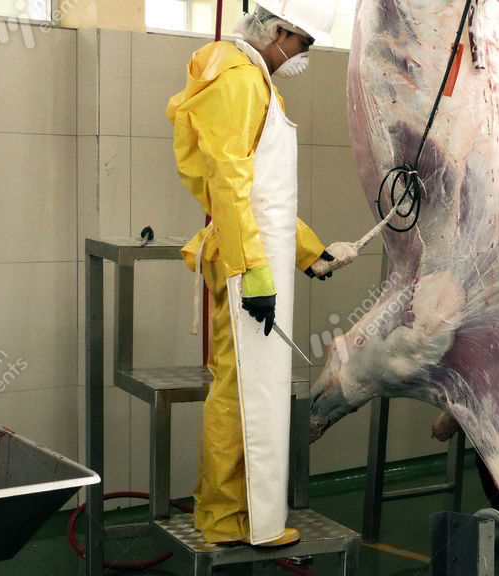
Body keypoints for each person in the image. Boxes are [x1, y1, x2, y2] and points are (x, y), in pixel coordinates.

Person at [165, 0, 340, 547]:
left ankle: (241, 514)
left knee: (249, 388)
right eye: (304, 44)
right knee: (240, 391)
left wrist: (307, 251)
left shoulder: (252, 80)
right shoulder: (239, 80)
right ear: (280, 32)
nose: (303, 56)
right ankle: (225, 518)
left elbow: (265, 195)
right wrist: (253, 271)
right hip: (247, 261)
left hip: (257, 252)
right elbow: (230, 184)